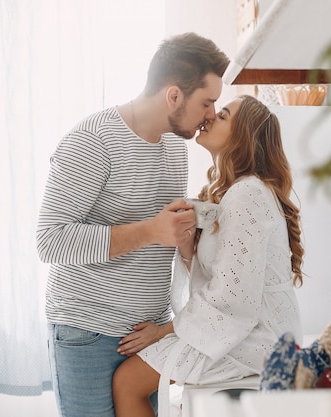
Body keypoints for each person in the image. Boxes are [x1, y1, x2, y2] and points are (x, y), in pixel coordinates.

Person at [35, 32, 230, 417]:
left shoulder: (176, 147)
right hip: (87, 331)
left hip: (147, 333)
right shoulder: (92, 141)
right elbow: (49, 240)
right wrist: (151, 231)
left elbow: (167, 233)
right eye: (207, 102)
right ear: (173, 95)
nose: (211, 114)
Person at [111, 95, 305, 417]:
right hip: (252, 329)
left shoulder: (247, 194)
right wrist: (189, 247)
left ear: (243, 136)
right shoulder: (236, 191)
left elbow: (233, 297)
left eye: (224, 116)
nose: (211, 116)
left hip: (257, 337)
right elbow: (222, 277)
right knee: (130, 381)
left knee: (128, 382)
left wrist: (164, 330)